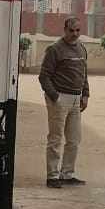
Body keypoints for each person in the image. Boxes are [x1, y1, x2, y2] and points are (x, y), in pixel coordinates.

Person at [38, 17, 89, 188]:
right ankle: (52, 176)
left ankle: (67, 174)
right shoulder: (55, 49)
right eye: (71, 30)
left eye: (78, 30)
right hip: (59, 98)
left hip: (76, 99)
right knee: (56, 138)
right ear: (65, 30)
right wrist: (55, 96)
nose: (75, 34)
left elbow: (84, 74)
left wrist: (85, 95)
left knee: (74, 139)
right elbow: (44, 76)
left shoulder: (82, 48)